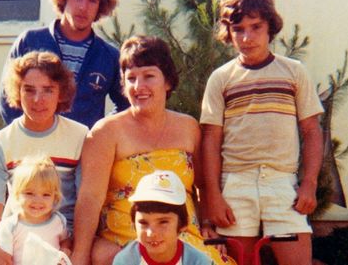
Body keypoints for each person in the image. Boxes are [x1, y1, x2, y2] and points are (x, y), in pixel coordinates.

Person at [71, 36, 234, 265]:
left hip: (182, 237)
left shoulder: (188, 127)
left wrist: (207, 225)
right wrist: (81, 254)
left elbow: (203, 187)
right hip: (129, 239)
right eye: (131, 79)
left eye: (149, 76)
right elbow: (90, 199)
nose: (139, 87)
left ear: (167, 81)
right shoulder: (106, 132)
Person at [200, 0, 324, 265]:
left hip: (282, 185)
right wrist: (214, 197)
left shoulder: (293, 72)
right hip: (236, 185)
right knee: (238, 262)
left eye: (256, 27)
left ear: (270, 26)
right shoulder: (221, 79)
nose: (247, 37)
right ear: (228, 33)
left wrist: (309, 183)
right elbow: (210, 139)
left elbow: (312, 131)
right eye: (239, 29)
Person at [0, 51, 88, 265]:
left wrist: (75, 249)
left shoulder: (81, 136)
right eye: (29, 90)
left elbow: (88, 203)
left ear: (60, 93)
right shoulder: (0, 143)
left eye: (48, 90)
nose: (38, 100)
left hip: (63, 240)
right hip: (16, 237)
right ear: (17, 92)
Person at [0, 0, 129, 129]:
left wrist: (100, 132)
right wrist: (29, 134)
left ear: (101, 5)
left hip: (84, 149)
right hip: (35, 147)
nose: (83, 7)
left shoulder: (109, 56)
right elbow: (7, 99)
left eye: (93, 0)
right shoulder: (30, 41)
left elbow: (127, 105)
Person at [113, 170, 214, 265]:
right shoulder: (126, 260)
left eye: (163, 222)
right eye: (143, 223)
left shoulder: (197, 261)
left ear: (183, 223)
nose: (151, 233)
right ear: (133, 223)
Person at [0, 155, 71, 265]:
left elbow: (65, 240)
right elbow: (3, 259)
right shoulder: (10, 226)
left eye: (46, 194)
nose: (37, 200)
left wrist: (65, 248)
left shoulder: (58, 220)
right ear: (16, 194)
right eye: (29, 193)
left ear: (55, 197)